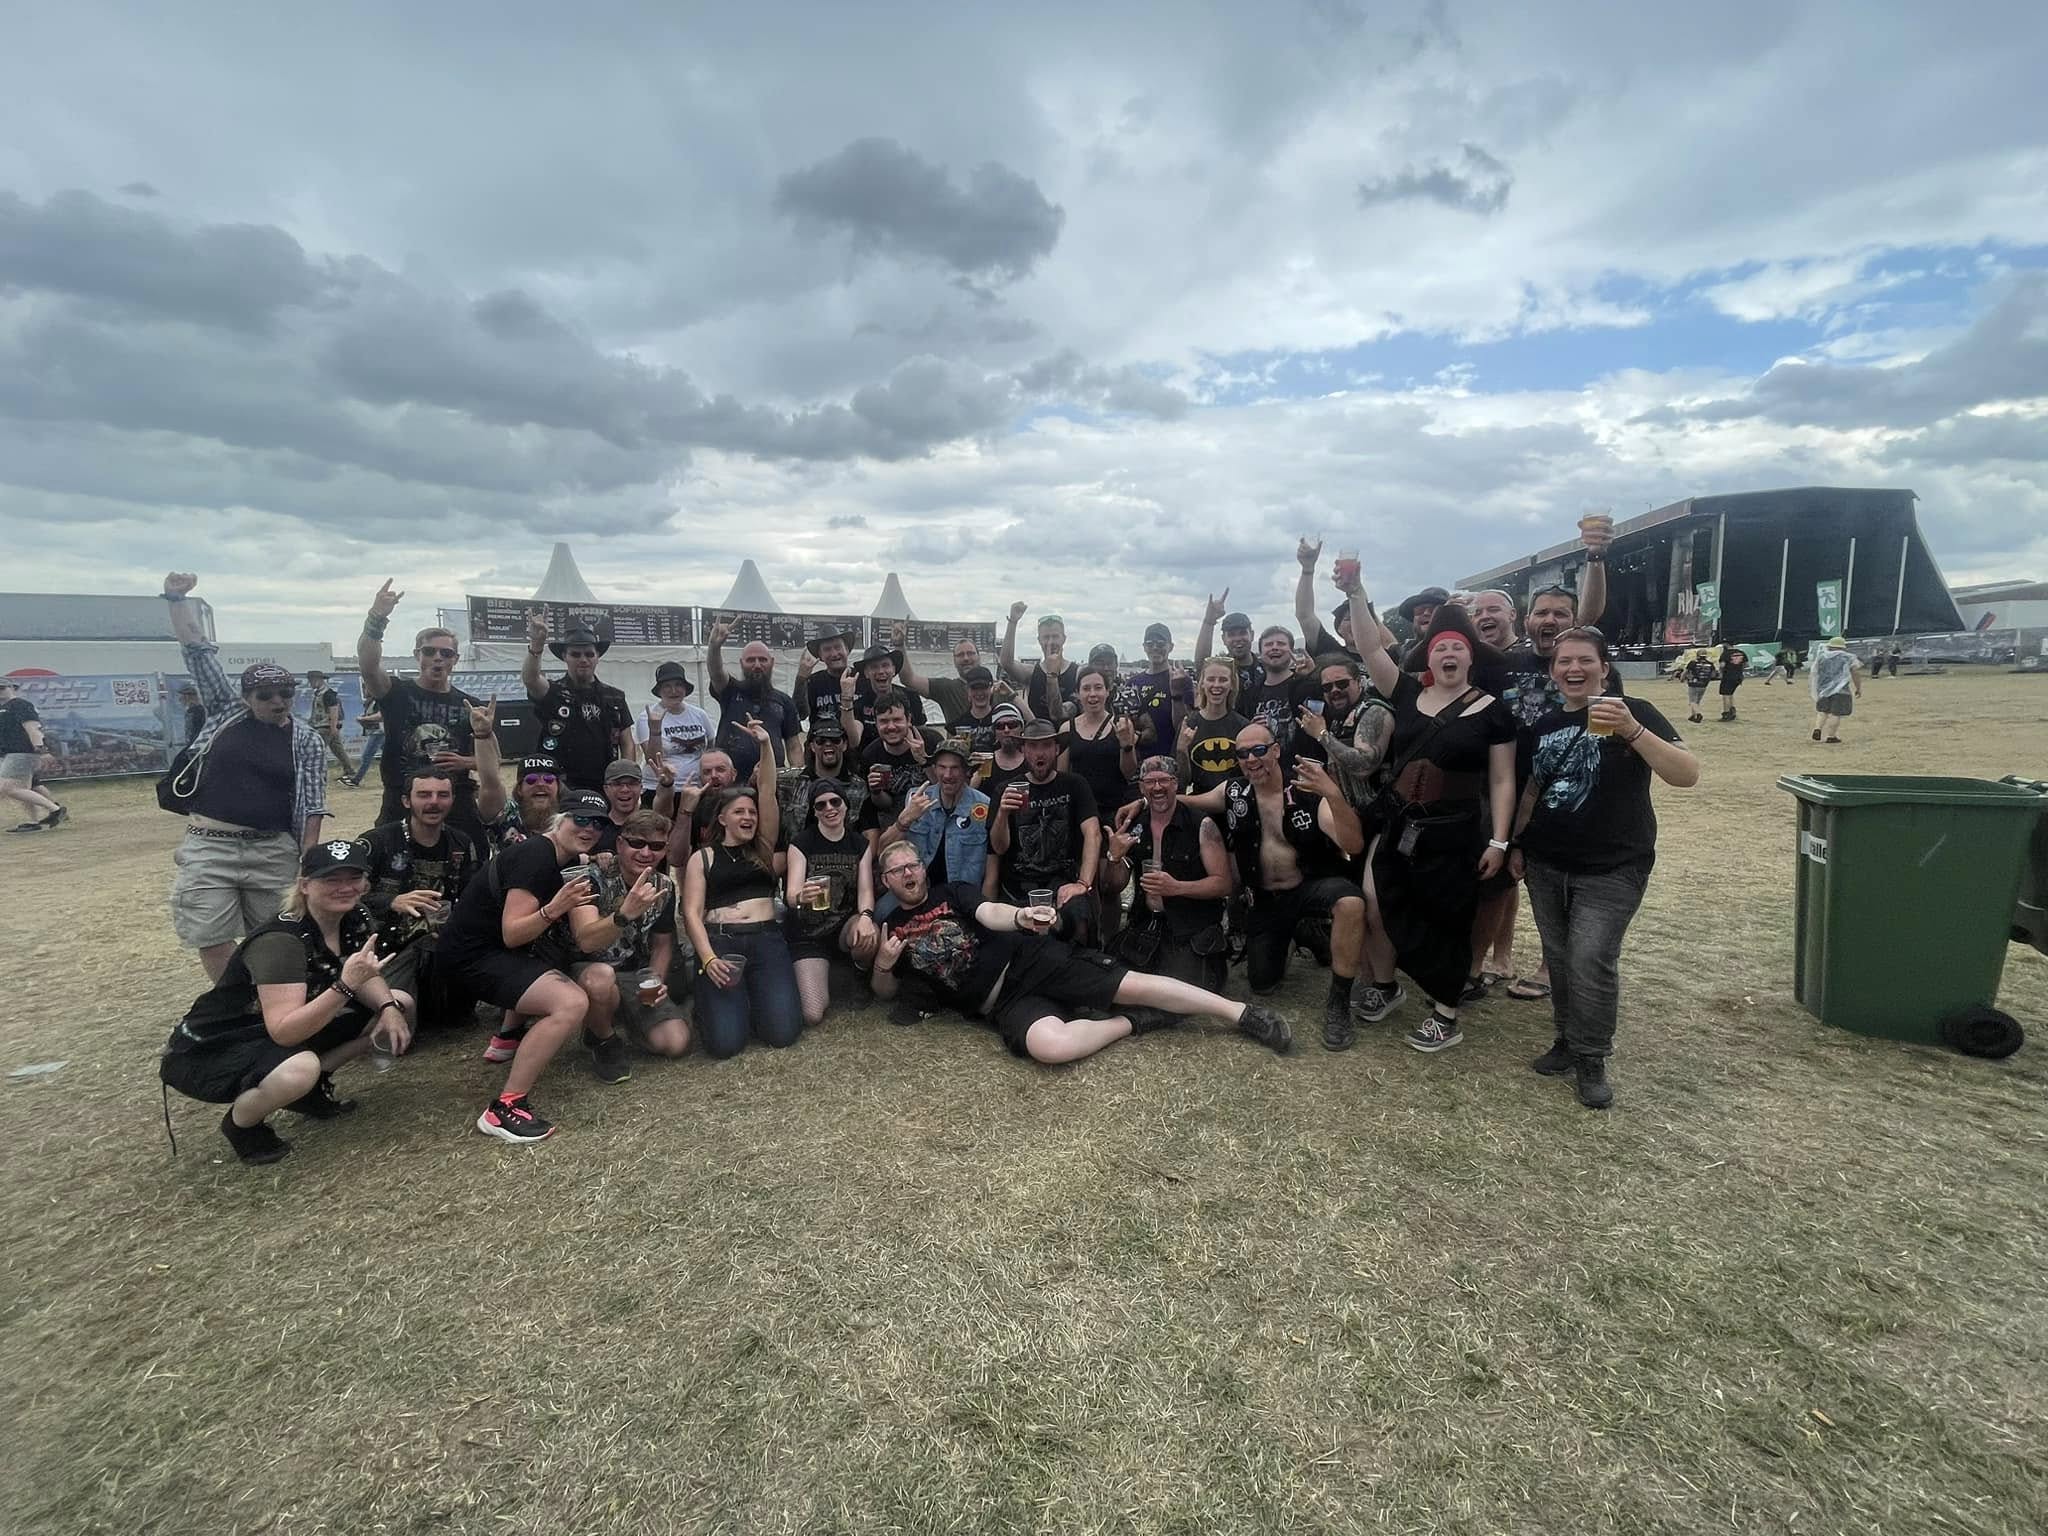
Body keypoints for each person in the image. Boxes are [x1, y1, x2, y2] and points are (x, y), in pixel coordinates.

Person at [871, 840, 1292, 1062]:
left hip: (1031, 960)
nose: (909, 873)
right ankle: (1134, 1022)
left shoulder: (951, 892)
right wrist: (884, 966)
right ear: (886, 880)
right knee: (1050, 1048)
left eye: (913, 865)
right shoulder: (891, 927)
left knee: (1133, 984)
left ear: (923, 869)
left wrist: (1020, 916)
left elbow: (989, 911)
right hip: (1003, 1005)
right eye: (898, 870)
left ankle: (1242, 1014)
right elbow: (886, 991)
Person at [1511, 627, 1699, 1108]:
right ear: (1553, 672)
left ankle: (1591, 1055)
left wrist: (1631, 730)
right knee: (1559, 958)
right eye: (1564, 661)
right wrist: (1516, 844)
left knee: (1590, 958)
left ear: (1604, 667)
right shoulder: (1544, 726)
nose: (1574, 668)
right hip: (1546, 863)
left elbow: (1686, 774)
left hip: (1614, 866)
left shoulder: (1635, 712)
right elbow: (1532, 790)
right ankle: (1566, 1040)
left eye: (1585, 660)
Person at [158, 839, 412, 1164]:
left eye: (354, 878)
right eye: (331, 879)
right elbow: (285, 1032)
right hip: (215, 1047)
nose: (345, 887)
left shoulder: (354, 915)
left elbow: (363, 973)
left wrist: (388, 1008)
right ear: (304, 885)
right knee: (299, 1069)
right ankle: (242, 1125)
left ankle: (309, 1091)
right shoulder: (282, 941)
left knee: (398, 1002)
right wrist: (345, 986)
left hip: (273, 1029)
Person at [1345, 581, 1517, 1053]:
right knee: (1378, 903)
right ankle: (1386, 986)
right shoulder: (1405, 693)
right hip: (1399, 825)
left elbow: (1503, 781)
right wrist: (1356, 593)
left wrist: (1499, 840)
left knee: (1447, 919)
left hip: (1454, 833)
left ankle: (1445, 1012)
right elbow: (1369, 647)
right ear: (1429, 657)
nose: (1448, 654)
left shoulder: (1494, 713)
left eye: (1457, 648)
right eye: (1440, 647)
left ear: (1470, 657)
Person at [163, 572, 329, 979]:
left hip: (272, 850)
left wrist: (307, 859)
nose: (277, 702)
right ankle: (233, 1002)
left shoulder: (306, 739)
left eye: (285, 694)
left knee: (275, 936)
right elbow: (197, 653)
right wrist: (176, 599)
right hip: (209, 846)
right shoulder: (225, 712)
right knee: (212, 936)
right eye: (265, 696)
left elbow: (312, 804)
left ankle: (269, 1003)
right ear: (246, 697)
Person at [436, 787, 613, 1142]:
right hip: (472, 957)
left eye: (597, 824)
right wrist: (556, 908)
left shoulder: (557, 856)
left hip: (480, 950)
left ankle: (506, 1039)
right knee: (570, 1002)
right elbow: (514, 934)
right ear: (560, 819)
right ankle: (505, 1108)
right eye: (580, 819)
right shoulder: (536, 856)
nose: (589, 829)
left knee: (553, 964)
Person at [1180, 725, 1364, 1043]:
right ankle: (1300, 933)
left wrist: (1333, 794)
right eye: (1242, 753)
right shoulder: (1233, 791)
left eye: (1259, 750)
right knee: (1262, 984)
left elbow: (1354, 844)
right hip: (1265, 899)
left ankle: (1339, 1002)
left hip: (1308, 887)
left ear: (1276, 751)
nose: (1251, 759)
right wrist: (1149, 800)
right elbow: (1191, 802)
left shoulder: (1307, 791)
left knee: (1351, 903)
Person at [356, 581, 486, 843]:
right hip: (402, 801)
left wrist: (465, 762)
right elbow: (368, 666)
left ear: (455, 659)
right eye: (430, 651)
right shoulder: (396, 692)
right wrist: (376, 617)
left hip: (455, 803)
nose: (438, 657)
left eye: (446, 653)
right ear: (417, 655)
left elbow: (493, 760)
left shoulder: (470, 704)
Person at [680, 785, 803, 1058]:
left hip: (767, 941)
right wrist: (708, 959)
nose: (748, 816)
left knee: (782, 1034)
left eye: (752, 812)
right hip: (722, 945)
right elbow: (691, 913)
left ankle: (750, 1002)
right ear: (722, 819)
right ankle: (711, 1005)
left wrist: (765, 755)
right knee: (726, 1046)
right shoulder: (703, 857)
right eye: (739, 812)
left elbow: (768, 792)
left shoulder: (764, 851)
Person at [355, 764, 479, 1024]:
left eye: (442, 795)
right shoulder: (377, 842)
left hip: (440, 943)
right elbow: (341, 897)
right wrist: (391, 901)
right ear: (406, 801)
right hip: (385, 947)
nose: (434, 802)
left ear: (452, 800)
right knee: (389, 1018)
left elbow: (471, 899)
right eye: (424, 795)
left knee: (456, 1017)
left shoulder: (461, 843)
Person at [562, 808, 686, 1066]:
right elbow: (586, 941)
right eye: (637, 843)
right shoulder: (589, 878)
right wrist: (624, 915)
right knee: (601, 979)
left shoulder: (664, 885)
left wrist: (654, 981)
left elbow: (662, 944)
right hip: (586, 970)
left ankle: (626, 1022)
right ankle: (603, 1038)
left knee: (675, 1043)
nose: (646, 853)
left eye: (656, 846)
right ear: (620, 843)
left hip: (633, 973)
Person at [1102, 755, 1232, 991]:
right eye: (1150, 782)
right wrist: (1114, 858)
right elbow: (1113, 885)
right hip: (1147, 924)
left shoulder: (1201, 824)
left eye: (1164, 780)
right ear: (1141, 787)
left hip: (1189, 927)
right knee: (1113, 983)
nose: (1157, 787)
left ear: (1176, 783)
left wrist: (1177, 888)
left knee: (1181, 995)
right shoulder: (1134, 824)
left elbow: (1223, 884)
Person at [988, 718, 1101, 943]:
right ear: (1023, 750)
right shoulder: (1005, 789)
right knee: (1020, 944)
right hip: (1019, 887)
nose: (1040, 753)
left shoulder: (1074, 784)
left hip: (1063, 884)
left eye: (1046, 745)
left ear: (1057, 749)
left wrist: (1083, 883)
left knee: (1079, 923)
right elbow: (998, 848)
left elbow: (1093, 833)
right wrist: (1002, 814)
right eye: (1032, 746)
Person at [784, 778, 876, 1026]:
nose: (829, 809)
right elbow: (791, 895)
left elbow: (866, 890)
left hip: (844, 926)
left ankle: (859, 976)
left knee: (869, 931)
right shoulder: (801, 843)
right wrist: (800, 896)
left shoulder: (859, 844)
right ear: (814, 812)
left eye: (835, 802)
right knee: (812, 1013)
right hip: (808, 934)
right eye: (820, 805)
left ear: (845, 805)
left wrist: (866, 917)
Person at [522, 615, 635, 790]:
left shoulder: (615, 697)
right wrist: (536, 645)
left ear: (597, 657)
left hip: (604, 785)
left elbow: (626, 742)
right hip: (561, 786)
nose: (583, 659)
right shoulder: (553, 692)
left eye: (589, 654)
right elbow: (531, 679)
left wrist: (626, 779)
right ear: (564, 657)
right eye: (575, 654)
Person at [875, 740, 991, 901]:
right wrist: (904, 821)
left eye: (955, 768)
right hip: (916, 895)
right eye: (942, 767)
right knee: (881, 912)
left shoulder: (984, 805)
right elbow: (882, 851)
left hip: (961, 898)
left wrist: (984, 905)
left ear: (967, 771)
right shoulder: (915, 799)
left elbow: (992, 868)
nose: (947, 775)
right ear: (934, 769)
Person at [704, 619, 802, 778]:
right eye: (750, 660)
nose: (757, 665)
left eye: (762, 659)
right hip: (732, 782)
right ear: (741, 663)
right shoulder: (729, 691)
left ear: (772, 663)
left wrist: (797, 776)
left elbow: (794, 746)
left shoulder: (784, 701)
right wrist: (714, 647)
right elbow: (716, 672)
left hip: (772, 780)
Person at [858, 690, 945, 824]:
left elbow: (946, 789)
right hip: (895, 822)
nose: (891, 727)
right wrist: (876, 791)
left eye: (897, 720)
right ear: (876, 723)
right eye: (884, 721)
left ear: (908, 719)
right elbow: (885, 805)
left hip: (934, 816)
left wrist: (924, 760)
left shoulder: (932, 741)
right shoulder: (871, 754)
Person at [634, 661, 711, 805]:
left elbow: (711, 747)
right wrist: (655, 730)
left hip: (695, 787)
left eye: (678, 685)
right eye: (667, 686)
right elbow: (652, 759)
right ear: (659, 690)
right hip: (659, 787)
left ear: (685, 688)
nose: (673, 691)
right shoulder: (647, 717)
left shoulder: (700, 714)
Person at [0, 679, 66, 831]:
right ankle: (33, 821)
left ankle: (55, 810)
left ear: (13, 688)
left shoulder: (21, 705)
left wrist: (42, 750)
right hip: (10, 754)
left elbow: (33, 729)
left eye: (2, 688)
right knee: (24, 789)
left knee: (9, 789)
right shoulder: (4, 708)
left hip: (21, 753)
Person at [1177, 658, 1248, 793]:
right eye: (1211, 679)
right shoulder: (1189, 725)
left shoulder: (1243, 726)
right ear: (1202, 683)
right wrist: (1182, 750)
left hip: (1234, 798)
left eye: (1223, 680)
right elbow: (1181, 783)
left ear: (1232, 684)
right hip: (1199, 799)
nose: (1216, 685)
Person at [1239, 625, 1317, 749]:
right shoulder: (1250, 693)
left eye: (1281, 644)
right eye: (1268, 644)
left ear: (1291, 650)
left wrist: (1311, 677)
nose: (1274, 647)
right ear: (1260, 653)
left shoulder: (1304, 685)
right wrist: (1252, 728)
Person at [999, 604, 1079, 723]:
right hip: (1039, 733)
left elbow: (1059, 715)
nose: (1051, 642)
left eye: (1055, 636)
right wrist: (1013, 622)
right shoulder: (1031, 673)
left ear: (1064, 639)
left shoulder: (1077, 673)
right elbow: (1006, 663)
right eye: (1046, 637)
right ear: (1039, 640)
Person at [1121, 623, 1192, 750]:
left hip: (1172, 754)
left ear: (1171, 647)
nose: (1155, 648)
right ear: (1144, 647)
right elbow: (1128, 723)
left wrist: (1176, 693)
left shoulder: (1182, 680)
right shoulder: (1132, 683)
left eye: (1160, 644)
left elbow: (1185, 726)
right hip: (1140, 756)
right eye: (1150, 644)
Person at [487, 753, 561, 853]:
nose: (540, 784)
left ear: (558, 787)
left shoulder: (572, 817)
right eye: (531, 779)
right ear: (519, 789)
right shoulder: (506, 814)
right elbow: (490, 782)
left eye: (549, 779)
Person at [1193, 590, 1260, 697]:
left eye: (1242, 633)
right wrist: (1208, 622)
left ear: (1252, 635)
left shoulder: (1267, 669)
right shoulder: (1220, 670)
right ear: (1223, 639)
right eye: (1231, 634)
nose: (1237, 639)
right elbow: (1201, 665)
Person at [792, 625, 860, 724]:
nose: (834, 654)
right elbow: (799, 714)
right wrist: (801, 679)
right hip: (821, 734)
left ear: (847, 650)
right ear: (820, 655)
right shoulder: (813, 682)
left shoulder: (862, 678)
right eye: (827, 649)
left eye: (838, 647)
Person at [303, 670, 356, 779]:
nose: (310, 683)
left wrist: (333, 727)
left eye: (311, 680)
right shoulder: (321, 693)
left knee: (317, 751)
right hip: (325, 726)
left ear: (318, 680)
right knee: (338, 750)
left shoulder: (328, 694)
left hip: (325, 727)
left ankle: (318, 773)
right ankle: (349, 770)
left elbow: (334, 710)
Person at [1810, 638, 1864, 743]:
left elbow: (1815, 673)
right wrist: (1858, 688)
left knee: (1823, 711)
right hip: (1841, 690)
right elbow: (1855, 672)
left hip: (1823, 689)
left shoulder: (1821, 657)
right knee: (1836, 713)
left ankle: (1817, 728)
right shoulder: (1848, 657)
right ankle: (1831, 736)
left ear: (1830, 646)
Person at [591, 759, 644, 855]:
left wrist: (666, 786)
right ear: (606, 789)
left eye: (632, 783)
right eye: (617, 784)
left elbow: (664, 807)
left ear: (641, 788)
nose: (625, 789)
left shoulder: (650, 824)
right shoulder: (595, 827)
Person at [346, 705, 383, 786]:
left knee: (367, 756)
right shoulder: (372, 702)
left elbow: (380, 715)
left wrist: (364, 718)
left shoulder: (379, 701)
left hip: (379, 732)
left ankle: (356, 779)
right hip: (379, 731)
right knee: (392, 755)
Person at [1681, 649, 1717, 723]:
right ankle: (1693, 715)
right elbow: (1713, 675)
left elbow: (1685, 672)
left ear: (1697, 655)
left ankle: (1698, 714)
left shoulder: (1693, 663)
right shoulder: (1710, 664)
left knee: (1692, 701)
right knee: (1697, 701)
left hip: (1693, 683)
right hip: (1704, 684)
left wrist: (1682, 678)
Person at [1715, 642, 1748, 721]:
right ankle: (1732, 710)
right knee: (1730, 693)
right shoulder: (1741, 652)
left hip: (1728, 676)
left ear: (1726, 645)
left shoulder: (1725, 653)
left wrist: (1720, 672)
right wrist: (1738, 669)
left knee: (1726, 694)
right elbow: (1746, 665)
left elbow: (1722, 665)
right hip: (1738, 676)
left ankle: (1726, 713)